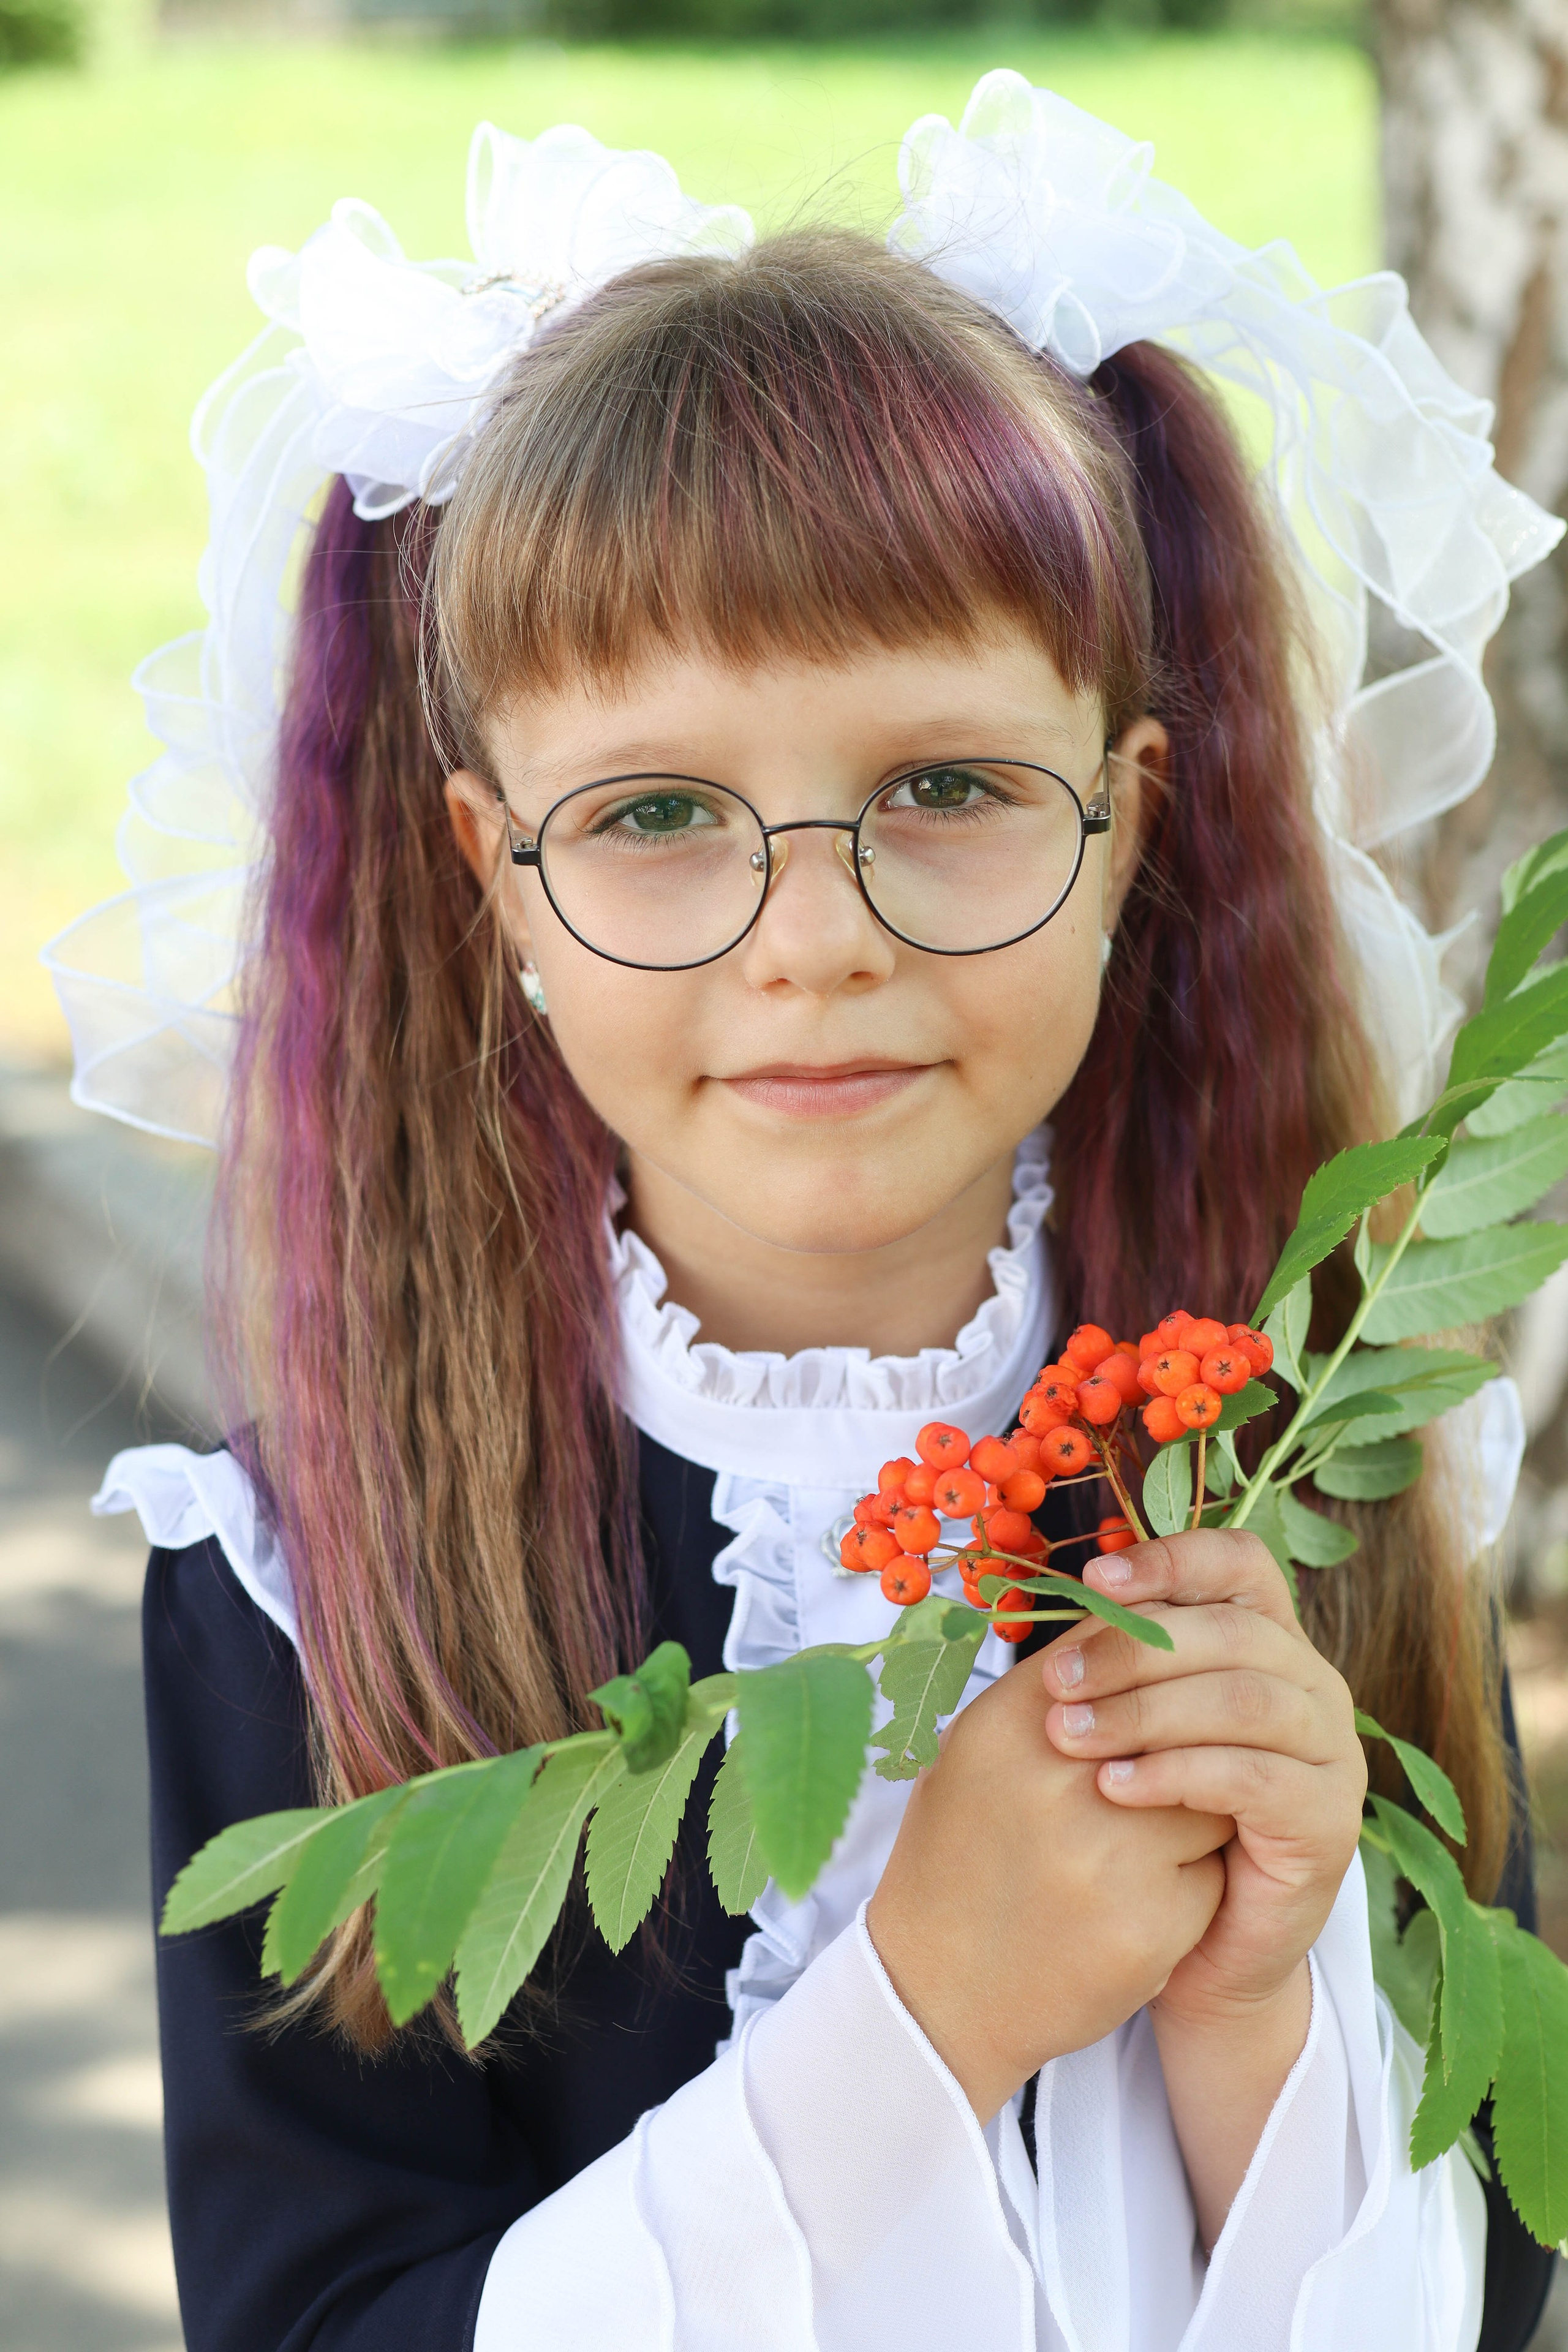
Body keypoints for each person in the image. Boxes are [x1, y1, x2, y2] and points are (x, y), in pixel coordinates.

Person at [58, 73, 1562, 2352]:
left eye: (945, 788)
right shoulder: (306, 1579)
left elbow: (1494, 2256)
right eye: (660, 810)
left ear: (1129, 824)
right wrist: (925, 2017)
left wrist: (1270, 2006)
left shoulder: (1310, 1456)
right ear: (499, 883)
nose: (813, 938)